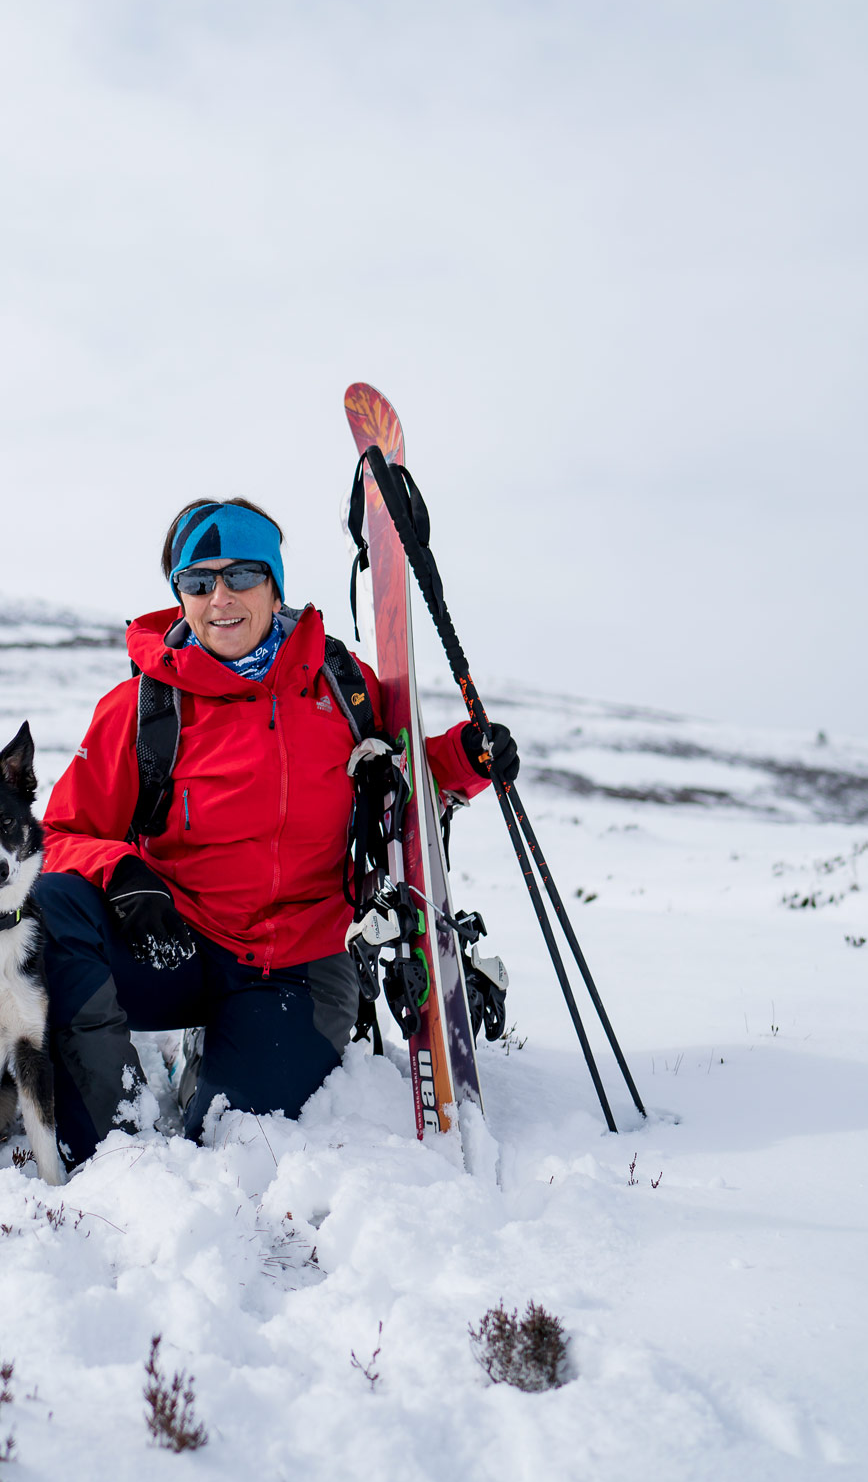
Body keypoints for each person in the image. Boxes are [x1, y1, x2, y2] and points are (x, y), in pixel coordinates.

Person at [32, 497, 519, 1166]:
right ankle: (114, 1141)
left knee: (229, 1145)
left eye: (241, 575)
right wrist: (122, 874)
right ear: (180, 596)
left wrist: (469, 757)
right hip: (174, 941)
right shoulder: (146, 705)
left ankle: (211, 1069)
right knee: (45, 908)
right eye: (198, 581)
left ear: (274, 583)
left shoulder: (340, 685)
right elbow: (58, 834)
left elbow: (405, 778)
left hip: (299, 965)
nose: (220, 596)